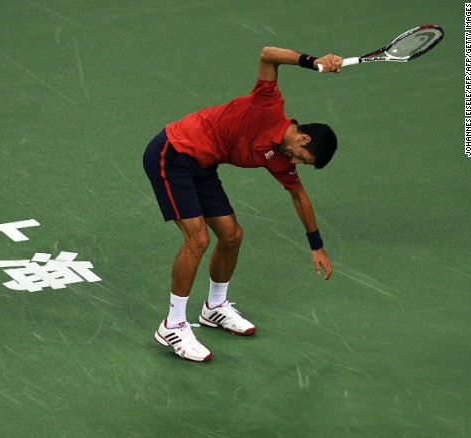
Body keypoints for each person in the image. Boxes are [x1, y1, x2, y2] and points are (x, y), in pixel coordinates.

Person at [143, 47, 343, 362]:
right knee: (198, 239)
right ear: (303, 139)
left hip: (203, 166)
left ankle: (215, 308)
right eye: (300, 157)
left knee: (232, 235)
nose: (295, 163)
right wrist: (313, 61)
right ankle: (173, 324)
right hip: (173, 152)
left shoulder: (280, 159)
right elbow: (267, 54)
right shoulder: (269, 104)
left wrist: (316, 245)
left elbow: (299, 195)